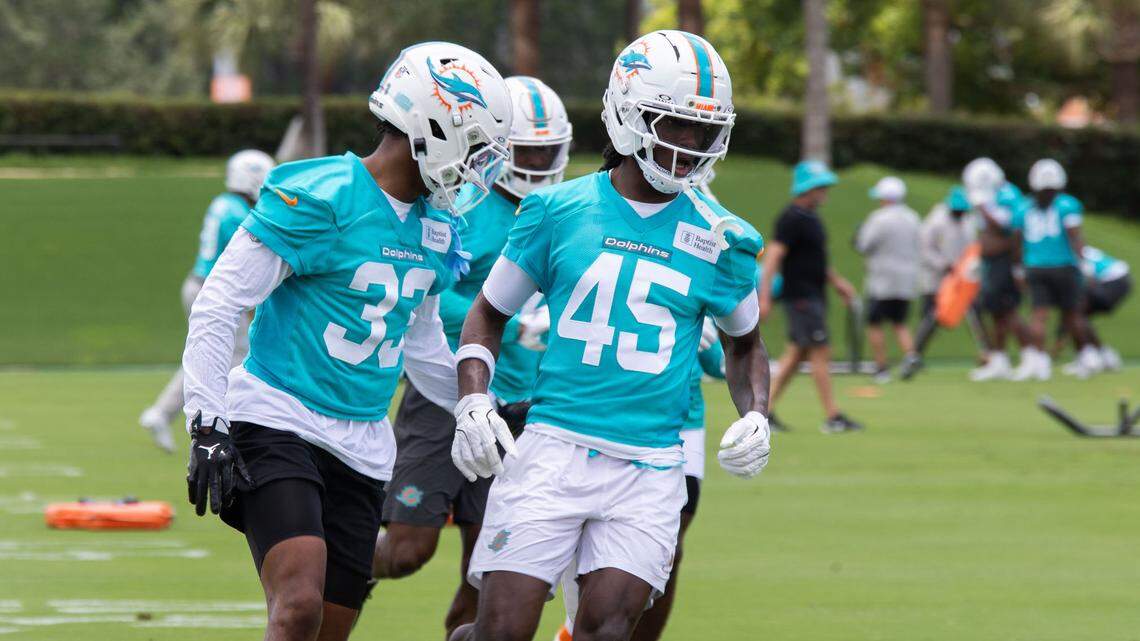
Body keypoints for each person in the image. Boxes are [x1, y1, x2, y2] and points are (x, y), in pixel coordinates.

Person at [180, 42, 511, 641]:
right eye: (476, 146)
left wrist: (478, 407)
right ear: (432, 125)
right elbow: (220, 300)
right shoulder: (323, 194)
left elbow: (422, 343)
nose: (480, 168)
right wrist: (207, 420)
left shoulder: (438, 227)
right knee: (299, 604)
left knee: (330, 627)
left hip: (362, 441)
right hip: (277, 414)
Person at [448, 31, 773, 641]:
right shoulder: (557, 210)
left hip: (649, 465)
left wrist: (755, 412)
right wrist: (473, 398)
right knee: (501, 631)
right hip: (551, 448)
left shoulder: (725, 238)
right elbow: (488, 313)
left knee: (606, 630)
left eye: (701, 131)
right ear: (627, 114)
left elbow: (746, 343)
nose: (687, 146)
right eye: (671, 125)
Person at [368, 75, 570, 639]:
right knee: (408, 549)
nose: (534, 163)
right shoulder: (460, 202)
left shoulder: (562, 210)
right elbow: (430, 290)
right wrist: (506, 314)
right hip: (447, 394)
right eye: (523, 150)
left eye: (545, 151)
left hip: (519, 407)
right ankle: (335, 572)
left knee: (487, 575)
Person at [138, 150, 275, 452]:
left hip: (197, 283)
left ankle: (162, 413)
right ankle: (226, 427)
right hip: (217, 292)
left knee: (208, 353)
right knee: (233, 359)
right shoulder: (241, 213)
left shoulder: (222, 204)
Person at [759, 160, 862, 433]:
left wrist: (837, 282)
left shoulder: (811, 218)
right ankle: (833, 416)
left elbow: (815, 260)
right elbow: (773, 257)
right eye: (821, 186)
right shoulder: (791, 217)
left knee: (796, 356)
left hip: (813, 295)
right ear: (808, 188)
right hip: (801, 297)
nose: (826, 191)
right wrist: (764, 297)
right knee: (820, 351)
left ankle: (762, 413)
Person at [1009, 159, 1091, 380]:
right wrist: (1085, 263)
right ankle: (1084, 358)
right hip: (1064, 265)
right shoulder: (1068, 204)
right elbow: (1075, 236)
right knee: (1072, 315)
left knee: (1039, 315)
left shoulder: (1022, 208)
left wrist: (1017, 270)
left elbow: (1016, 244)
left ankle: (1041, 362)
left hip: (1036, 267)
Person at [961, 158, 1036, 382]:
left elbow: (1008, 229)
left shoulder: (1007, 194)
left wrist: (983, 208)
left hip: (1005, 261)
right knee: (996, 312)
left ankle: (1032, 356)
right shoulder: (992, 196)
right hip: (991, 262)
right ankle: (999, 359)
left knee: (1009, 311)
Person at [901, 185, 985, 380]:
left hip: (962, 278)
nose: (960, 214)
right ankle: (914, 357)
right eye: (957, 210)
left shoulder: (968, 221)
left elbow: (972, 248)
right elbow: (924, 249)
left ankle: (987, 353)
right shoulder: (935, 221)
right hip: (935, 278)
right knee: (932, 316)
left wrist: (966, 268)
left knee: (975, 313)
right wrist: (943, 264)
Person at [854, 176, 921, 383]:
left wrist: (858, 236)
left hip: (882, 279)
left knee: (875, 323)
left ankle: (881, 368)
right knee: (899, 322)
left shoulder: (879, 218)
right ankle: (911, 355)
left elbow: (864, 244)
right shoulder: (913, 217)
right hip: (907, 278)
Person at [1058, 245, 1130, 372]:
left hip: (1111, 281)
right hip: (1121, 280)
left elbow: (1089, 278)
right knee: (1078, 317)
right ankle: (1104, 356)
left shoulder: (1068, 252)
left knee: (1075, 315)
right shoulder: (1073, 248)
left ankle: (1089, 358)